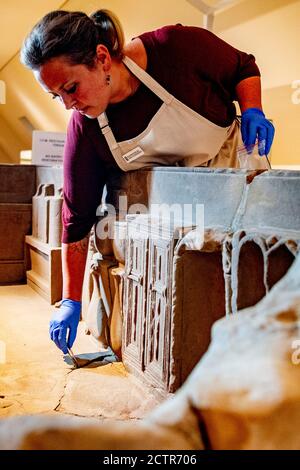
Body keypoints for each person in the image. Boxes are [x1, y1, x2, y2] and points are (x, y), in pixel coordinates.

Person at [21, 9, 275, 355]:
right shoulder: (86, 128)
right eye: (57, 97)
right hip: (160, 205)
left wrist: (253, 109)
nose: (68, 105)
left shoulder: (176, 48)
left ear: (101, 57)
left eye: (71, 88)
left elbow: (243, 67)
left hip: (223, 167)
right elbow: (77, 218)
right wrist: (71, 299)